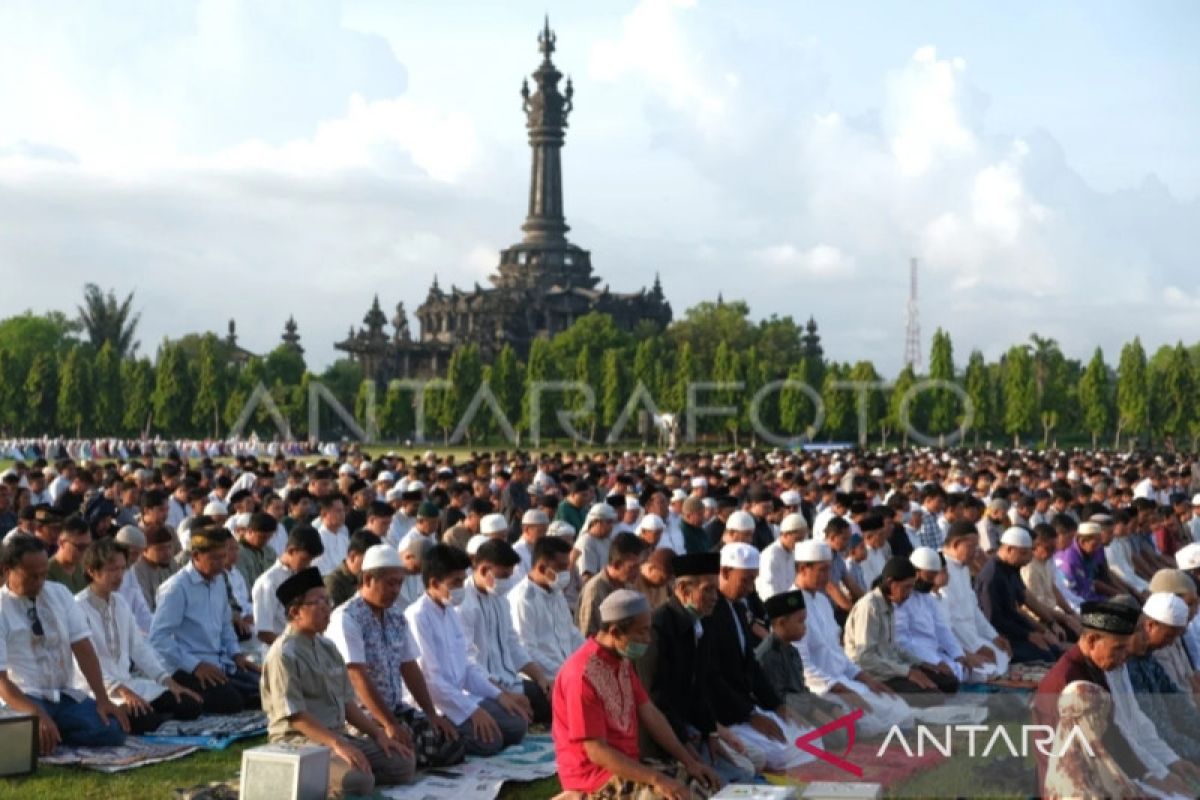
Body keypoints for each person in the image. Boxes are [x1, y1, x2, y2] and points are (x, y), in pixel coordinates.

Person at [552, 588, 723, 799]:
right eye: (641, 632)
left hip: (630, 765)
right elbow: (596, 751)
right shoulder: (582, 675)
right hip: (595, 779)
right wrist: (657, 779)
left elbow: (651, 714)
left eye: (648, 630)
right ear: (615, 632)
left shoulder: (621, 662)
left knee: (705, 785)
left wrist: (690, 762)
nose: (648, 639)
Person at [260, 567, 415, 798]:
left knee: (404, 762)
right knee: (358, 780)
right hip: (301, 743)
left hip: (336, 736)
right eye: (318, 602)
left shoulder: (327, 647)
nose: (327, 607)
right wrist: (337, 745)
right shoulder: (283, 654)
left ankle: (341, 775)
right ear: (295, 611)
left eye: (327, 600)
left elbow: (348, 704)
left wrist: (379, 735)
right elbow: (296, 716)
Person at [325, 545, 466, 770]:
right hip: (360, 716)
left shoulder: (396, 617)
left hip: (395, 708)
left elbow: (410, 667)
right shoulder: (347, 618)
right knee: (403, 758)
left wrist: (431, 714)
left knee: (451, 738)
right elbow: (357, 677)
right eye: (390, 583)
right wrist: (388, 724)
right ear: (369, 579)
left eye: (400, 583)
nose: (396, 590)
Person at [1034, 598, 1186, 797]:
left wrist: (1153, 774)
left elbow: (1119, 730)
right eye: (1118, 649)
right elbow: (1079, 760)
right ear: (1091, 641)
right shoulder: (1067, 683)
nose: (1124, 656)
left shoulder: (1098, 668)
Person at [0, 533, 129, 754]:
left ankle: (54, 732)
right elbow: (2, 683)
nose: (39, 582)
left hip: (63, 695)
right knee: (30, 738)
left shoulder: (58, 593)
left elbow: (84, 648)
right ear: (6, 570)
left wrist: (102, 698)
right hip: (24, 698)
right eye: (31, 576)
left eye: (43, 575)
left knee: (112, 730)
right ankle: (46, 732)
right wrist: (37, 715)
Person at [637, 552, 753, 784]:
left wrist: (710, 731)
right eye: (707, 590)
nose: (715, 598)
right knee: (725, 782)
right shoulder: (658, 629)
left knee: (747, 769)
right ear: (683, 590)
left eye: (714, 590)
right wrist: (687, 747)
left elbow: (699, 686)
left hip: (691, 731)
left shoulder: (699, 623)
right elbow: (655, 700)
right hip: (663, 740)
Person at [405, 544, 529, 756]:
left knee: (516, 724)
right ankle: (444, 736)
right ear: (434, 583)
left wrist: (499, 695)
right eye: (455, 583)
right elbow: (431, 682)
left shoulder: (450, 611)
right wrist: (471, 711)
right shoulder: (418, 617)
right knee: (490, 742)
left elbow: (467, 667)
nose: (462, 588)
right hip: (437, 705)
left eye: (463, 581)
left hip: (462, 696)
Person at [702, 542, 816, 771]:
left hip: (747, 707)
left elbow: (751, 666)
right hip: (728, 716)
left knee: (810, 735)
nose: (751, 588)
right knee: (781, 752)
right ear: (724, 572)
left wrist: (776, 706)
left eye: (753, 580)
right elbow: (713, 677)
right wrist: (750, 715)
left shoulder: (737, 608)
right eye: (746, 580)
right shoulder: (710, 613)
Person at [74, 538, 203, 734]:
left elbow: (139, 647)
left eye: (122, 569)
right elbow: (84, 663)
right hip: (97, 690)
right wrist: (122, 692)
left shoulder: (120, 602)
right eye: (112, 570)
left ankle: (146, 712)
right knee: (147, 721)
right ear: (92, 571)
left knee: (189, 704)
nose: (119, 576)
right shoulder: (77, 608)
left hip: (129, 683)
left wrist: (168, 681)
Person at [149, 527, 262, 714]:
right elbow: (158, 638)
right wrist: (195, 666)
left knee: (262, 683)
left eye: (223, 556)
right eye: (215, 558)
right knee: (233, 701)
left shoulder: (219, 580)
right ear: (196, 556)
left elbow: (225, 624)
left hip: (218, 661)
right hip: (186, 666)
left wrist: (236, 655)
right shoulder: (176, 588)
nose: (221, 563)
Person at [459, 539, 553, 724]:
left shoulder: (500, 599)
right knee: (515, 725)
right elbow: (468, 663)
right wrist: (504, 695)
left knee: (555, 700)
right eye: (503, 575)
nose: (507, 581)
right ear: (485, 570)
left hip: (510, 682)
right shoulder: (463, 605)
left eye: (510, 575)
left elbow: (513, 644)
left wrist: (542, 679)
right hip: (483, 689)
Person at [843, 556, 959, 704]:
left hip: (893, 666)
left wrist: (923, 664)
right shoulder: (869, 606)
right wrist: (908, 672)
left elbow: (893, 648)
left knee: (949, 682)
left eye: (911, 588)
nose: (909, 593)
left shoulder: (890, 604)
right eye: (906, 587)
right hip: (876, 673)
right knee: (931, 696)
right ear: (891, 583)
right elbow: (865, 658)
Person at [756, 589, 850, 752]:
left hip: (800, 707)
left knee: (844, 719)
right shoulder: (769, 654)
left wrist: (827, 707)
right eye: (800, 622)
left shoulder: (792, 650)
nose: (804, 628)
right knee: (835, 735)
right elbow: (778, 700)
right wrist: (815, 711)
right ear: (782, 623)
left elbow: (802, 690)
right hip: (782, 714)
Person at [895, 547, 987, 682]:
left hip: (935, 654)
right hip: (916, 658)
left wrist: (959, 655)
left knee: (973, 673)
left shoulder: (928, 599)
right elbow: (903, 642)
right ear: (917, 572)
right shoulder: (902, 599)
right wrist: (935, 662)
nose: (931, 582)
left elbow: (942, 630)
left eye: (934, 577)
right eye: (929, 577)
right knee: (948, 680)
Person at [975, 527, 1065, 663]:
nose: (1028, 559)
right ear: (1009, 549)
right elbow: (993, 619)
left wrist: (1046, 628)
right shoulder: (992, 576)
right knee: (1046, 656)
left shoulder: (1012, 568)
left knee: (1054, 649)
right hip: (1000, 636)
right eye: (1024, 554)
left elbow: (1023, 601)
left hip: (1015, 629)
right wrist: (1028, 635)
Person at [1043, 681, 1141, 800]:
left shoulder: (1089, 758)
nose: (1105, 725)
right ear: (1088, 721)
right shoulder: (1074, 784)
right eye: (1100, 717)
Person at [938, 522, 1011, 678]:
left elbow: (974, 609)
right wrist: (974, 646)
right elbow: (950, 620)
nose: (976, 553)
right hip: (956, 640)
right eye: (972, 547)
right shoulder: (941, 570)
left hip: (971, 634)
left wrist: (993, 636)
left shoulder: (963, 568)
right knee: (985, 669)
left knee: (1003, 654)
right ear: (956, 544)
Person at [508, 536, 584, 680]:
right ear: (542, 568)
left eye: (566, 567)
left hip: (567, 674)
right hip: (542, 680)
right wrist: (564, 672)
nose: (566, 573)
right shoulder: (523, 598)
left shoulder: (555, 591)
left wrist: (589, 657)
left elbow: (571, 632)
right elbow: (526, 649)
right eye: (561, 568)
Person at [252, 524, 325, 645]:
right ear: (291, 551)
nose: (308, 565)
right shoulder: (268, 582)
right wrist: (291, 649)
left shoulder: (304, 575)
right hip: (280, 651)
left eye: (311, 560)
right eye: (305, 559)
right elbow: (263, 632)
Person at [578, 533, 649, 638]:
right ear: (616, 564)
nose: (638, 572)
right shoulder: (594, 591)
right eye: (633, 567)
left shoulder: (628, 587)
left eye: (639, 566)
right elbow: (587, 636)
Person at [113, 525, 155, 633]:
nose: (136, 559)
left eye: (139, 554)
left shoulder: (130, 572)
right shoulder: (107, 573)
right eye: (133, 553)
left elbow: (142, 610)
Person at [323, 529, 381, 608]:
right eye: (369, 560)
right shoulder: (334, 583)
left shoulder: (368, 578)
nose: (372, 565)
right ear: (353, 557)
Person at [754, 512, 806, 601]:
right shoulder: (770, 555)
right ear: (785, 535)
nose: (799, 543)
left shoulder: (794, 553)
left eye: (802, 539)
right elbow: (767, 589)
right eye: (797, 539)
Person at [133, 526, 177, 613]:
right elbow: (146, 609)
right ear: (144, 550)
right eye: (160, 549)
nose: (167, 553)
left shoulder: (170, 563)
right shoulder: (137, 571)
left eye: (169, 547)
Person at [573, 503, 617, 586]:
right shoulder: (586, 542)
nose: (611, 526)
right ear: (596, 522)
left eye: (612, 523)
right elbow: (587, 577)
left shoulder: (607, 540)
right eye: (608, 522)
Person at [47, 515, 91, 593]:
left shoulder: (84, 568)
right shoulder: (46, 573)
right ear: (61, 543)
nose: (85, 552)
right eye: (80, 547)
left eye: (88, 546)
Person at [234, 511, 278, 590]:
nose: (266, 541)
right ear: (250, 531)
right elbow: (243, 586)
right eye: (262, 537)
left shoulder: (270, 552)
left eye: (269, 537)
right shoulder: (237, 554)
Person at [312, 494, 350, 576]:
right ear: (324, 514)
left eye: (343, 510)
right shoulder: (317, 539)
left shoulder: (344, 539)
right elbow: (320, 570)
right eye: (338, 511)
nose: (343, 514)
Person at [512, 508, 549, 578]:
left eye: (545, 532)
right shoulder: (516, 551)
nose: (544, 535)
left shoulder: (541, 549)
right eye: (541, 531)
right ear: (526, 529)